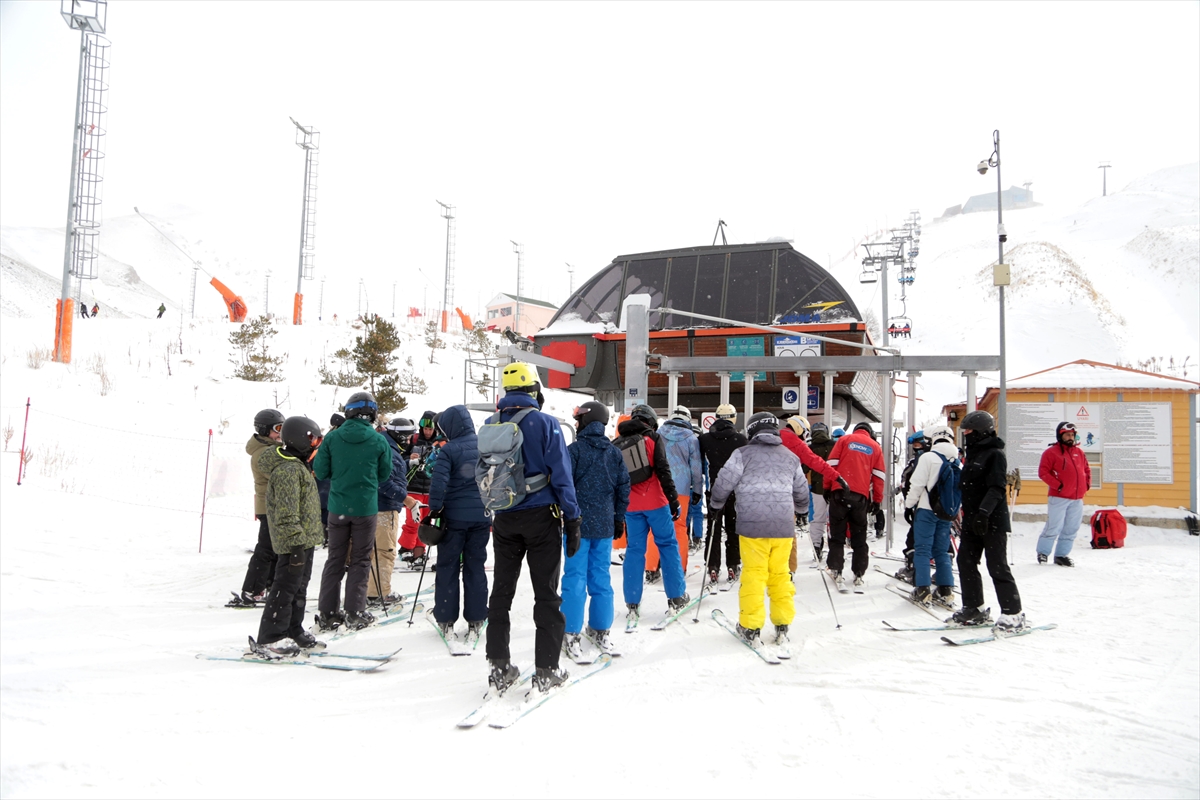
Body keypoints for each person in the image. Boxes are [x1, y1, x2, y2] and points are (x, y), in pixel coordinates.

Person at [484, 363, 581, 694]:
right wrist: (573, 517)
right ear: (533, 389)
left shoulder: (491, 423)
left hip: (505, 516)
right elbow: (561, 474)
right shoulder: (545, 423)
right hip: (541, 516)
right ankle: (546, 669)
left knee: (501, 593)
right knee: (546, 595)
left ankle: (498, 666)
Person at [709, 412, 809, 645]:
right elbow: (801, 489)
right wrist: (802, 510)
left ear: (752, 430)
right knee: (780, 575)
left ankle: (751, 626)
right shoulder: (790, 457)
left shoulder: (742, 454)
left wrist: (716, 504)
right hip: (783, 527)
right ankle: (782, 622)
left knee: (754, 575)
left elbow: (724, 482)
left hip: (752, 526)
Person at [313, 391, 393, 632]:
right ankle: (355, 611)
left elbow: (321, 470)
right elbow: (384, 474)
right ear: (371, 415)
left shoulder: (333, 438)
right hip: (365, 508)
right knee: (360, 559)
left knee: (335, 559)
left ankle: (327, 612)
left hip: (338, 508)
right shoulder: (379, 440)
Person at [250, 416, 326, 656]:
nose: (316, 444)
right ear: (300, 440)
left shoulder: (299, 464)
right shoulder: (288, 470)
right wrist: (294, 543)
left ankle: (293, 629)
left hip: (304, 540)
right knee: (285, 588)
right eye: (313, 439)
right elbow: (285, 512)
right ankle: (271, 637)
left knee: (299, 588)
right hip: (294, 542)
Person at [562, 401, 630, 659]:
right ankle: (600, 630)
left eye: (578, 419)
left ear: (586, 422)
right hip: (603, 526)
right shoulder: (613, 453)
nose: (576, 423)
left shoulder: (574, 451)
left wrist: (566, 515)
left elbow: (563, 486)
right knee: (601, 579)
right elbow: (624, 487)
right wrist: (618, 517)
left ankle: (570, 633)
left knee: (575, 579)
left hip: (576, 527)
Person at [615, 403, 689, 624]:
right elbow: (663, 470)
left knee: (635, 551)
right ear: (651, 421)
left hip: (631, 507)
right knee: (667, 546)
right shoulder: (653, 440)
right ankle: (676, 597)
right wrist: (674, 499)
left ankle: (632, 602)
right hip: (656, 503)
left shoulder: (617, 444)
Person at [953, 410, 1025, 632]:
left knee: (997, 566)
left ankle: (1013, 614)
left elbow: (996, 488)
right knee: (965, 561)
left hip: (991, 520)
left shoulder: (994, 454)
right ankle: (974, 607)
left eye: (969, 430)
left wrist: (984, 513)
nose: (966, 434)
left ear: (981, 431)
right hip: (973, 520)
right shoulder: (972, 455)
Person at [427, 405, 490, 640]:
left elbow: (438, 483)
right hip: (481, 518)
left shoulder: (449, 450)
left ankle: (445, 616)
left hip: (454, 518)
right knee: (475, 567)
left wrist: (435, 509)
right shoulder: (485, 446)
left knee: (448, 566)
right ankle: (477, 616)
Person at [227, 409, 284, 608]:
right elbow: (279, 476)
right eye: (277, 428)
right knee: (266, 549)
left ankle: (267, 587)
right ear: (265, 430)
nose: (280, 433)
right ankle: (252, 590)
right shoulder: (264, 452)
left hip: (273, 505)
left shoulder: (271, 448)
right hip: (269, 506)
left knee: (274, 549)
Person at [901, 426, 958, 610]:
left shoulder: (928, 458)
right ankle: (946, 589)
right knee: (941, 551)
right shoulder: (957, 460)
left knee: (923, 549)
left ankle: (923, 590)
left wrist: (909, 506)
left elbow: (916, 485)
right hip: (946, 513)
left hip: (926, 510)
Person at [779, 415, 843, 576]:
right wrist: (836, 477)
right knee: (788, 533)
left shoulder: (774, 437)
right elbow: (814, 463)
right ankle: (789, 569)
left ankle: (766, 567)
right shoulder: (796, 443)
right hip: (788, 494)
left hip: (764, 494)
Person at [825, 421, 884, 591]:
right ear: (869, 432)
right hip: (860, 497)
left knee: (837, 534)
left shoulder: (844, 441)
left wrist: (828, 488)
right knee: (859, 535)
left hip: (839, 493)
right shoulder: (875, 447)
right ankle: (859, 570)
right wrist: (877, 500)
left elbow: (831, 465)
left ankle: (836, 567)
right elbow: (879, 476)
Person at [648, 405, 703, 580]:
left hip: (659, 486)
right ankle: (679, 568)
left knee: (655, 527)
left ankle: (651, 567)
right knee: (680, 527)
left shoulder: (657, 435)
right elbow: (696, 468)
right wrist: (698, 490)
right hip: (681, 488)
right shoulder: (691, 439)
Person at [698, 404, 747, 583]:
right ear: (733, 418)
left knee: (713, 529)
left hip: (714, 490)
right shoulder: (741, 440)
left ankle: (713, 565)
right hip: (735, 491)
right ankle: (733, 564)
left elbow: (701, 464)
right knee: (733, 528)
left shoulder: (704, 439)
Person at [366, 417, 410, 607]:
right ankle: (379, 594)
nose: (409, 441)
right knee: (385, 551)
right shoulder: (389, 451)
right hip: (384, 507)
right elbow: (384, 482)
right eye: (407, 437)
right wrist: (405, 498)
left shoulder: (382, 445)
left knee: (374, 551)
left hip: (374, 506)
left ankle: (370, 590)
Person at [1036, 421, 1090, 566]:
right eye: (1067, 435)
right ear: (1060, 436)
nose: (1070, 437)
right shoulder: (1051, 453)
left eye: (1072, 435)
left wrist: (1086, 485)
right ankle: (1043, 553)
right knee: (1054, 526)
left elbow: (1086, 470)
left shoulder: (1079, 452)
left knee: (1071, 528)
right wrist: (1058, 485)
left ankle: (1061, 555)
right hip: (1058, 497)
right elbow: (1043, 472)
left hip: (1077, 498)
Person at [398, 410, 439, 568]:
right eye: (425, 429)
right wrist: (409, 459)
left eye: (431, 429)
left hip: (430, 488)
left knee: (425, 522)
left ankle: (420, 548)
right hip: (413, 488)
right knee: (412, 521)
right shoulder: (413, 441)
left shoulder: (439, 443)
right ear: (421, 428)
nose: (428, 432)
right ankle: (406, 547)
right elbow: (400, 459)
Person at [895, 430, 932, 582]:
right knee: (939, 539)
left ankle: (914, 568)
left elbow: (914, 484)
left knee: (915, 538)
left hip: (921, 506)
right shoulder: (941, 459)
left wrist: (909, 505)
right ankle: (943, 572)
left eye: (918, 444)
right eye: (914, 445)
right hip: (936, 507)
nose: (916, 448)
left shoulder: (922, 461)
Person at [805, 421, 838, 564]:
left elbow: (804, 469)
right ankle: (834, 548)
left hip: (818, 489)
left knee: (817, 519)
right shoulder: (836, 446)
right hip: (835, 488)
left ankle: (817, 547)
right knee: (834, 519)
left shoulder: (810, 448)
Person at [315, 413, 344, 545]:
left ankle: (325, 533)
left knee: (325, 505)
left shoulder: (331, 436)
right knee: (326, 505)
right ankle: (326, 533)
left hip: (327, 478)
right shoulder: (336, 437)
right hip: (329, 479)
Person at [687, 423, 707, 552]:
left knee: (685, 513)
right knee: (697, 512)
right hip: (696, 484)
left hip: (683, 485)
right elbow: (704, 468)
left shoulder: (686, 445)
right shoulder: (700, 450)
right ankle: (697, 537)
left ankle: (685, 537)